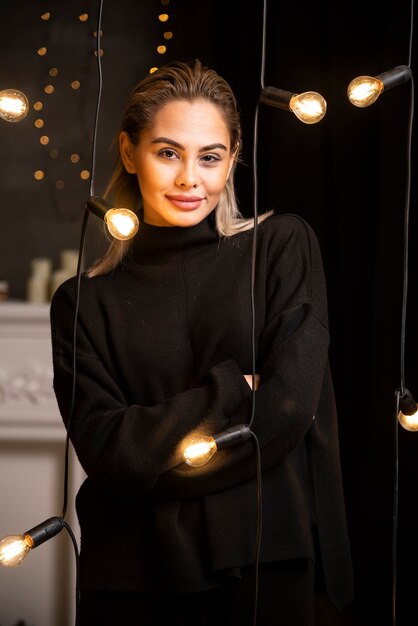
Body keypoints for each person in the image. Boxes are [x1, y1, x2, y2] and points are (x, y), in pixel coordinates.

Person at [50, 58, 354, 626]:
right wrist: (233, 389)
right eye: (168, 152)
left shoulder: (281, 248)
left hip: (263, 557)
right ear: (128, 152)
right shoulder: (81, 301)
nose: (190, 178)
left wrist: (150, 462)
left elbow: (285, 414)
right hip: (130, 576)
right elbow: (109, 454)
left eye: (210, 157)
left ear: (233, 158)